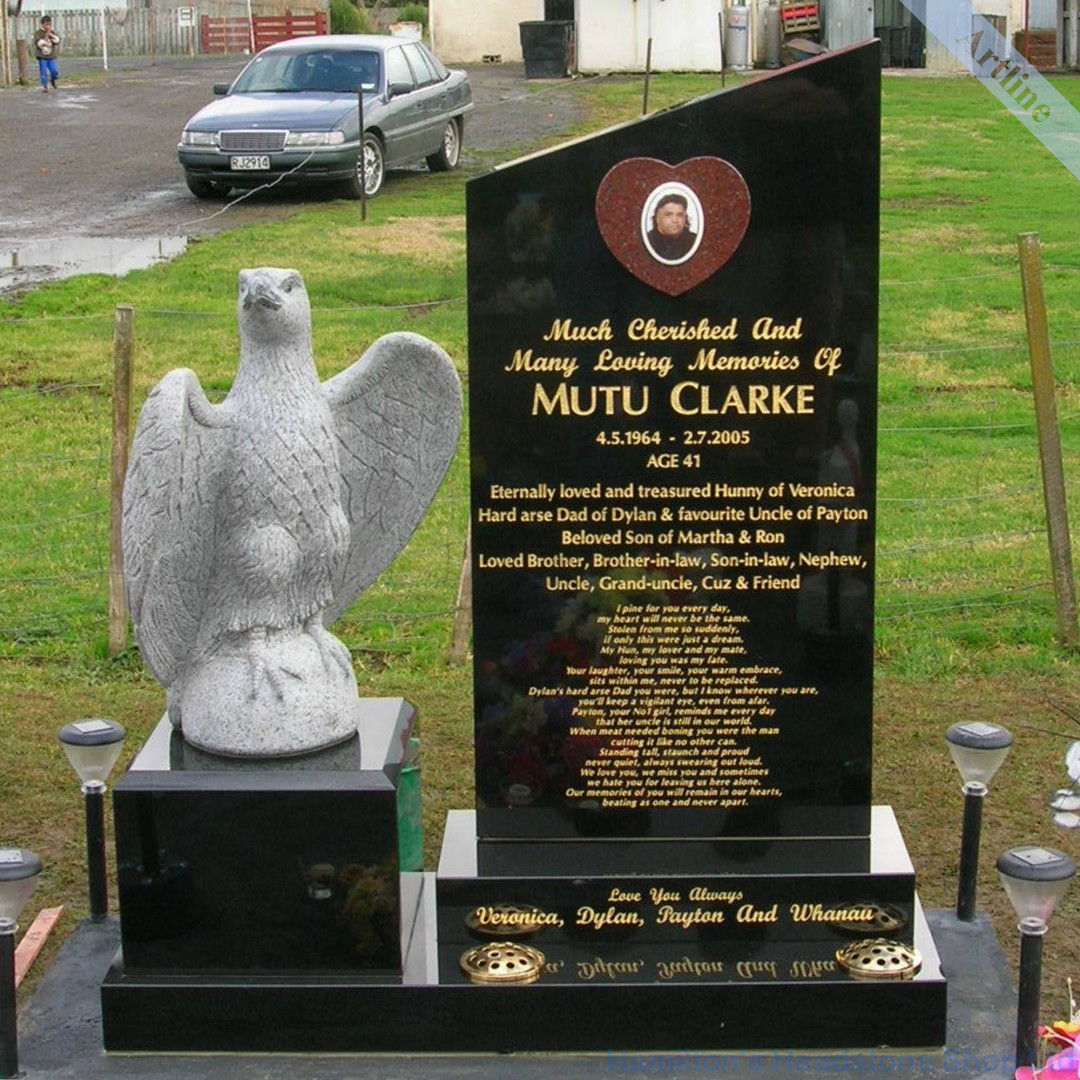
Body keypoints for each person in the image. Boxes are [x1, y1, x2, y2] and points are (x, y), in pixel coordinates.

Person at [645, 192, 697, 262]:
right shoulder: (646, 242)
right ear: (657, 218)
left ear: (685, 218)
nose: (675, 220)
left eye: (679, 215)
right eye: (669, 215)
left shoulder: (695, 242)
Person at [35, 16, 60, 93]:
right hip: (42, 56)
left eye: (49, 24)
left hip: (51, 56)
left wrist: (51, 35)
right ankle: (45, 85)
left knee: (54, 71)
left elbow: (57, 41)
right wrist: (46, 40)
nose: (48, 26)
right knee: (43, 71)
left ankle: (53, 79)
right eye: (46, 24)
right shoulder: (38, 33)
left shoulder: (52, 32)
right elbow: (39, 43)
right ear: (42, 24)